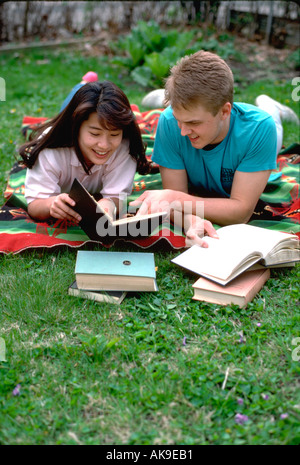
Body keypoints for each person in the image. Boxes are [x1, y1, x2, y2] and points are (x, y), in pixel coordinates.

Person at [130, 50, 299, 247]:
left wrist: (174, 198)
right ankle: (166, 99)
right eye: (179, 120)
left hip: (261, 130)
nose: (183, 132)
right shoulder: (168, 121)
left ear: (225, 111)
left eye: (194, 122)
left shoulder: (259, 129)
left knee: (275, 130)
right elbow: (174, 204)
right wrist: (191, 221)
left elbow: (240, 213)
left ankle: (273, 108)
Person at [19, 80, 150, 223]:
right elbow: (34, 205)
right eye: (95, 134)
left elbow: (117, 197)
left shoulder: (125, 146)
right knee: (70, 104)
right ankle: (83, 83)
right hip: (72, 116)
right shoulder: (51, 148)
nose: (104, 145)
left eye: (114, 134)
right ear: (76, 129)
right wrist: (51, 204)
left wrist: (110, 203)